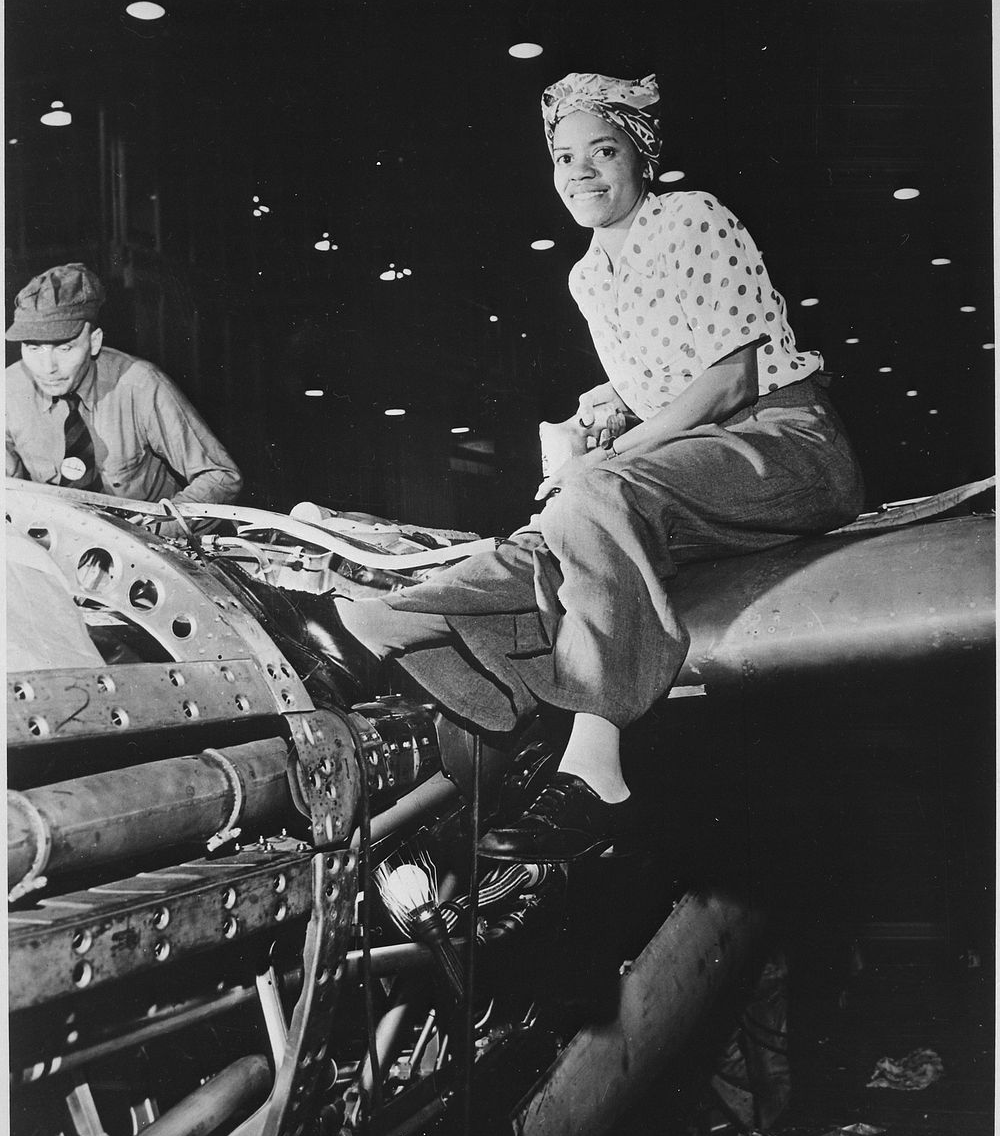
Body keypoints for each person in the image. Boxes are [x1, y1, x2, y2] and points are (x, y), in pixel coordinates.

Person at [302, 71, 865, 864]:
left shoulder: (693, 216)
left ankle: (596, 764)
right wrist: (594, 420)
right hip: (696, 461)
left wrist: (609, 456)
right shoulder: (588, 277)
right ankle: (383, 628)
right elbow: (657, 387)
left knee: (591, 494)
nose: (582, 173)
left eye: (603, 152)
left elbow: (730, 380)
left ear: (641, 156)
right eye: (565, 158)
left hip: (789, 445)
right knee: (550, 534)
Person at [5, 262, 243, 512]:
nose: (47, 367)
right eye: (33, 348)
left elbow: (221, 476)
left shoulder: (141, 385)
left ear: (94, 342)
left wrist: (157, 528)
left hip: (146, 540)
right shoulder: (8, 391)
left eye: (64, 348)